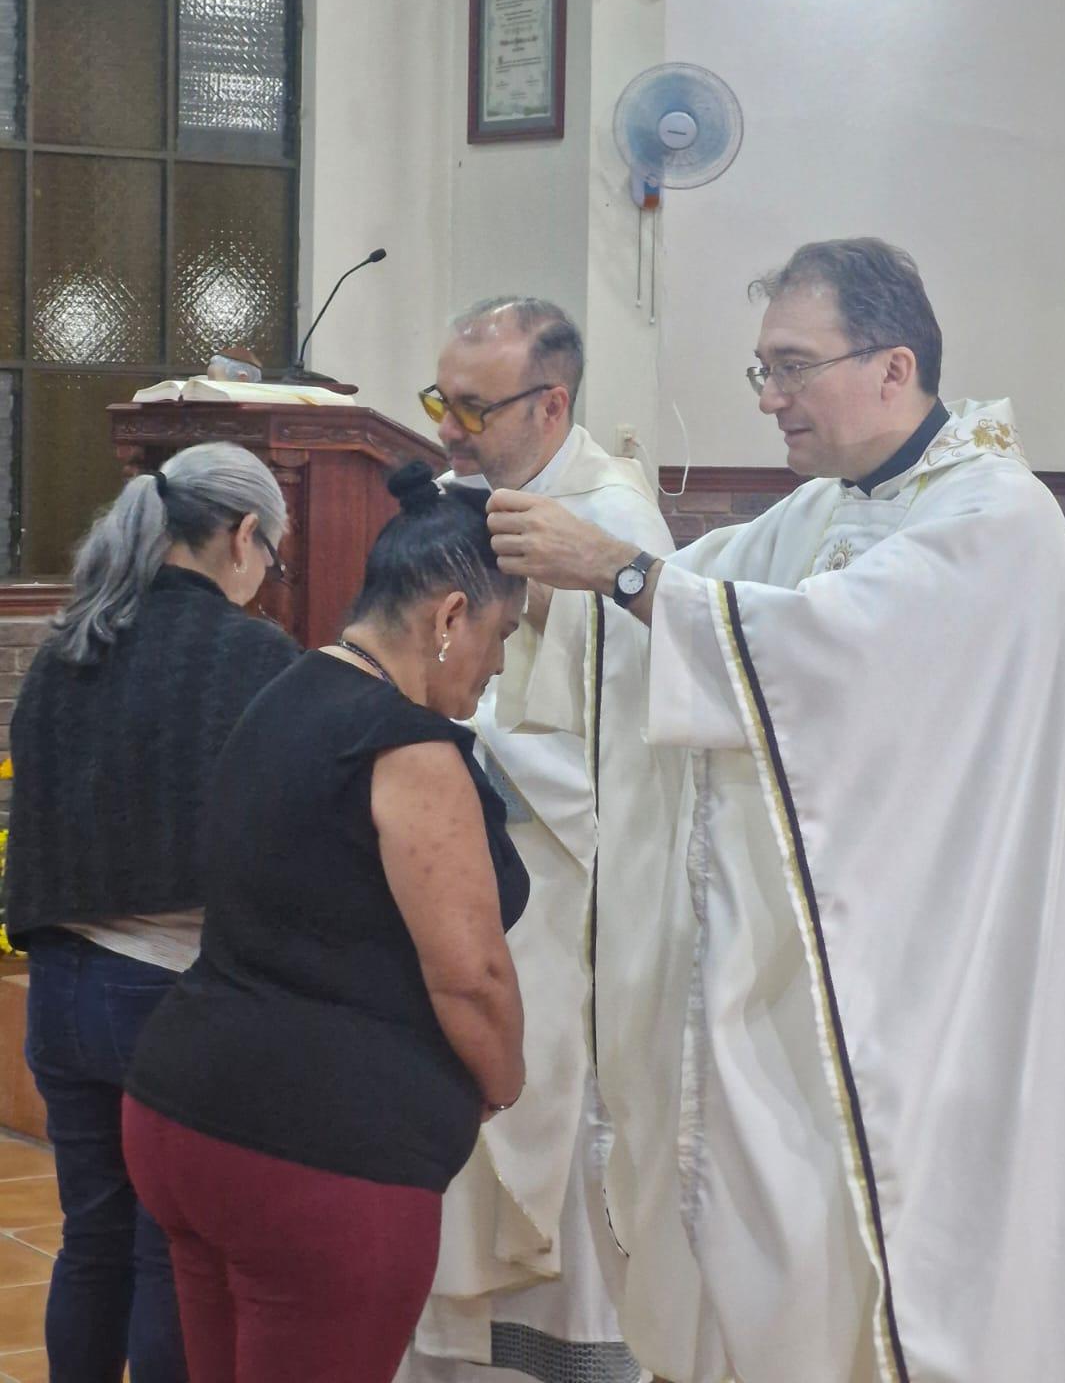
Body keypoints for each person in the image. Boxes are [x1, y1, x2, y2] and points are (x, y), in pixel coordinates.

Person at [486, 239, 1065, 1383]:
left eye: (792, 366)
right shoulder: (833, 506)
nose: (771, 398)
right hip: (856, 960)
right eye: (761, 370)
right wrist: (578, 578)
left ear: (895, 367)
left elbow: (817, 649)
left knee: (930, 1245)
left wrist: (624, 576)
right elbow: (706, 595)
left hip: (945, 981)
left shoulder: (994, 517)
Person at [122, 461, 529, 1383]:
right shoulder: (410, 747)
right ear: (451, 616)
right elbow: (471, 976)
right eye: (502, 633)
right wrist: (504, 1084)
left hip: (185, 1110)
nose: (499, 662)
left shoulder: (288, 690)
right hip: (316, 1156)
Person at [404, 297, 674, 1383]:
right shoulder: (476, 499)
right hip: (478, 883)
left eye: (470, 407)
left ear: (551, 401)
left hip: (569, 911)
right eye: (440, 400)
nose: (447, 430)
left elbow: (631, 763)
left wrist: (445, 744)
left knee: (551, 1147)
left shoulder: (611, 528)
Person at [3, 441, 299, 1383]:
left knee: (91, 1241)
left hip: (58, 990)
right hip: (169, 994)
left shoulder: (68, 649)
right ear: (244, 535)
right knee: (174, 1255)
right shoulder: (252, 657)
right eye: (273, 557)